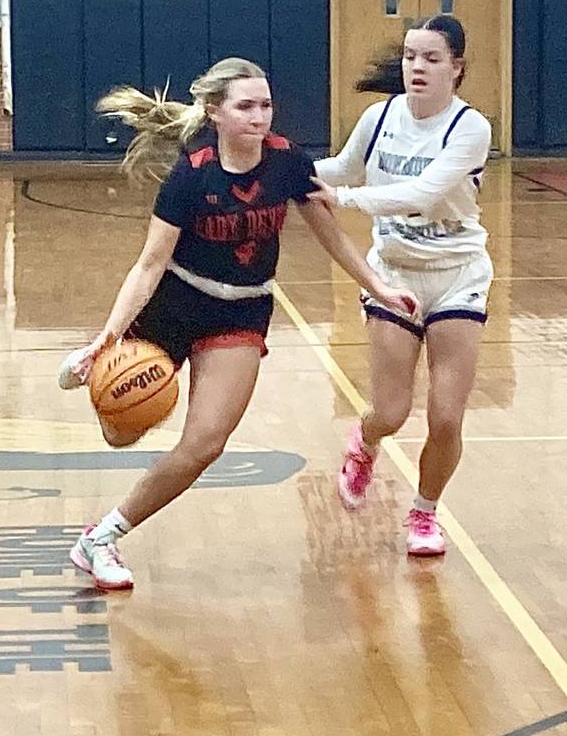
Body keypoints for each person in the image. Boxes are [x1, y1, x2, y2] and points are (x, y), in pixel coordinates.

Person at [58, 57, 415, 589]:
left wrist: (379, 287)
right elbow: (149, 264)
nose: (259, 116)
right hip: (175, 303)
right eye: (245, 106)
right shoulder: (192, 174)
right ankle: (99, 373)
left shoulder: (289, 163)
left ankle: (100, 538)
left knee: (205, 444)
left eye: (265, 105)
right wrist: (107, 337)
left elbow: (333, 235)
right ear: (215, 113)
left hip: (241, 311)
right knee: (119, 432)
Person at [309, 15, 493, 557]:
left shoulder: (470, 128)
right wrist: (279, 171)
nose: (417, 66)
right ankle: (364, 444)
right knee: (390, 412)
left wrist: (343, 201)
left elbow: (425, 192)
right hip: (393, 274)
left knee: (446, 416)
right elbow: (342, 167)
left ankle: (425, 512)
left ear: (456, 68)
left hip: (457, 274)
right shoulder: (380, 115)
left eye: (432, 58)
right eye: (412, 56)